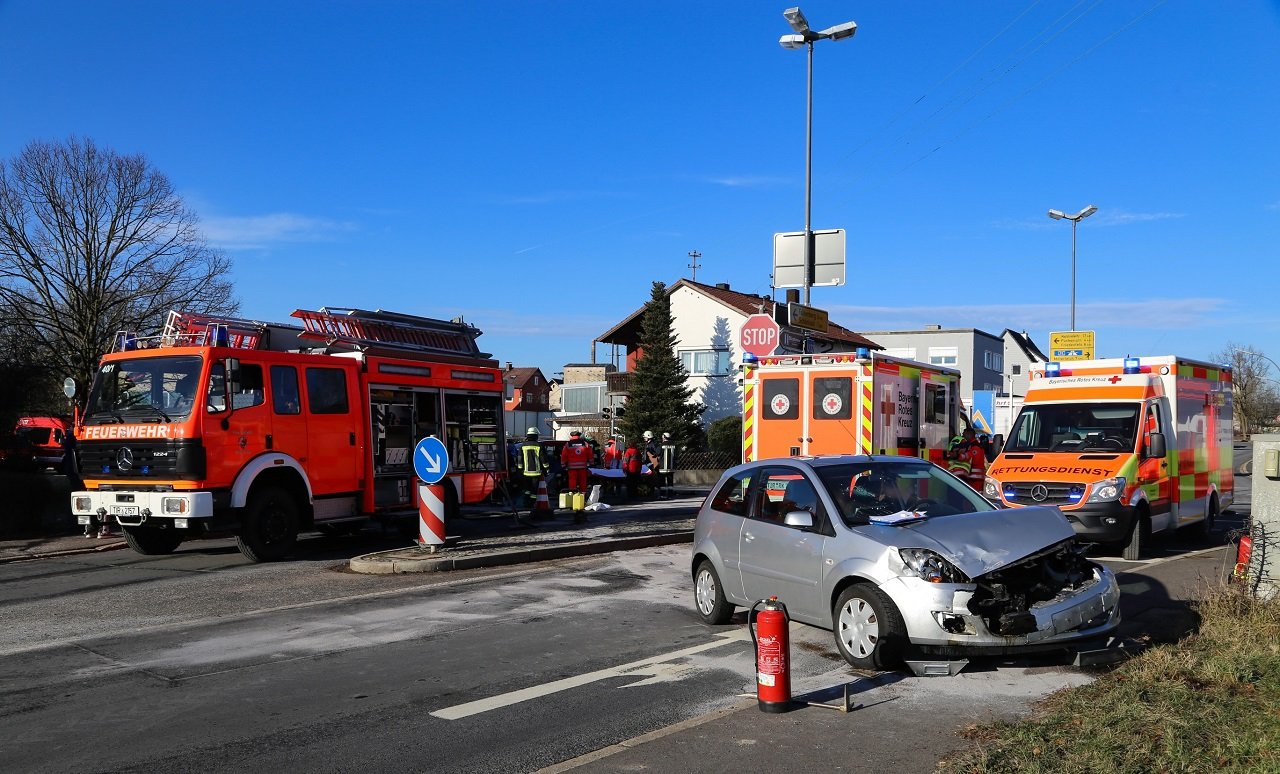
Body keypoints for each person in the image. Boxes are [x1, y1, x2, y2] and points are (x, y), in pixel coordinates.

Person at [514, 428, 547, 515]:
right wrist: (547, 469)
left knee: (527, 489)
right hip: (536, 473)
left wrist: (520, 470)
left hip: (525, 473)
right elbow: (543, 460)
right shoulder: (539, 446)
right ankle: (532, 504)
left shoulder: (522, 446)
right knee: (533, 491)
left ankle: (526, 502)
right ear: (536, 435)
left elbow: (519, 460)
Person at [561, 430, 593, 498]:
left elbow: (564, 455)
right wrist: (591, 463)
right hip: (583, 467)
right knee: (583, 482)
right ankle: (582, 497)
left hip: (572, 467)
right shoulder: (585, 444)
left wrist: (563, 465)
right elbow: (590, 454)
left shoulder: (568, 444)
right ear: (579, 436)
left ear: (572, 436)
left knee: (572, 481)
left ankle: (572, 497)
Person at [657, 432, 677, 499]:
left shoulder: (661, 445)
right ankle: (670, 495)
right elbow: (676, 455)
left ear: (664, 437)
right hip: (671, 467)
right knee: (670, 482)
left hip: (663, 467)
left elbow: (657, 453)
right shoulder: (674, 445)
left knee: (662, 482)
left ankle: (662, 495)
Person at [642, 430, 661, 498]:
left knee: (652, 479)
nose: (644, 438)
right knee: (649, 479)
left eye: (645, 437)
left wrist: (654, 456)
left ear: (649, 437)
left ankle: (653, 492)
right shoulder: (648, 444)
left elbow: (658, 452)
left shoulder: (653, 444)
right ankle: (650, 491)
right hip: (648, 464)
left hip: (651, 464)